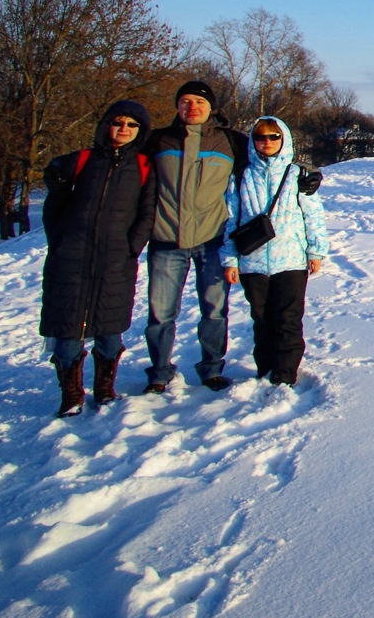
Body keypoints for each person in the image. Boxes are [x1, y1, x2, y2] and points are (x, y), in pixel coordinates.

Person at [41, 100, 156, 417]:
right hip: (72, 259)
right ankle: (72, 394)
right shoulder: (82, 161)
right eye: (118, 122)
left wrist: (131, 246)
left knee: (109, 329)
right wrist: (61, 242)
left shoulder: (145, 167)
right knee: (68, 330)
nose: (124, 129)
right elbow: (54, 205)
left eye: (132, 125)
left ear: (140, 131)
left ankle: (105, 389)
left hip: (115, 259)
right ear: (106, 124)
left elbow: (147, 213)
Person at [142, 80, 247, 393]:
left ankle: (211, 368)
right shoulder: (158, 140)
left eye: (199, 102)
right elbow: (120, 158)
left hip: (212, 238)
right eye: (185, 102)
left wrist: (304, 174)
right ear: (177, 106)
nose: (192, 108)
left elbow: (268, 159)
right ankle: (160, 372)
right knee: (160, 314)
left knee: (214, 310)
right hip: (165, 239)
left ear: (211, 108)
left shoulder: (229, 142)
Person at [222, 115, 328, 385]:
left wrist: (315, 252)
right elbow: (230, 218)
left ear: (284, 139)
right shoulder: (241, 175)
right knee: (261, 318)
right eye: (260, 137)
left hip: (290, 259)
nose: (266, 142)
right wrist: (230, 259)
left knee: (288, 318)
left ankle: (285, 371)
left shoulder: (298, 174)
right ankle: (265, 366)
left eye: (273, 137)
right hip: (252, 261)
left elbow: (313, 215)